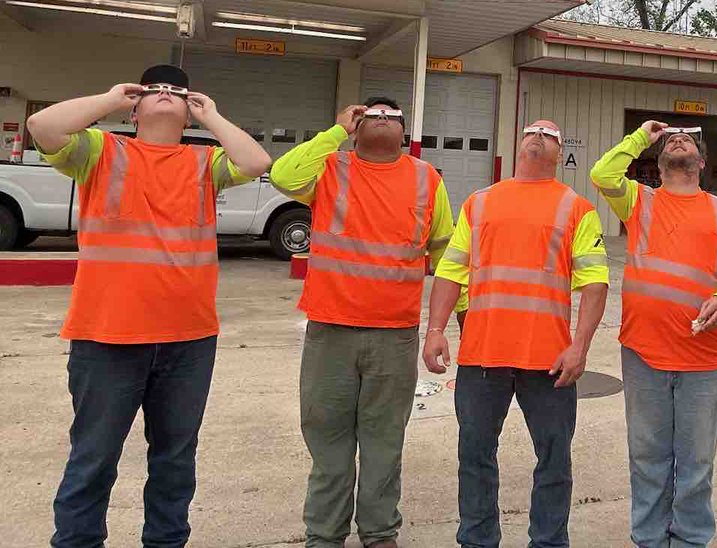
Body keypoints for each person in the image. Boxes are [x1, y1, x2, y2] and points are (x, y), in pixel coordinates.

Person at [26, 65, 271, 548]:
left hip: (188, 339)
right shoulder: (99, 152)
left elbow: (257, 161)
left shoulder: (205, 163)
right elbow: (43, 126)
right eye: (154, 90)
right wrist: (111, 98)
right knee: (93, 457)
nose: (165, 95)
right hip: (107, 337)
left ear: (190, 111)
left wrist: (213, 116)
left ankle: (165, 541)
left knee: (175, 461)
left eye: (177, 92)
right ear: (135, 107)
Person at [270, 97, 464, 548]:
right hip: (330, 330)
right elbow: (282, 175)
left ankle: (379, 532)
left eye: (390, 116)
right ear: (356, 126)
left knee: (383, 441)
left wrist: (451, 322)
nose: (380, 119)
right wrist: (336, 132)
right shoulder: (329, 169)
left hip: (393, 335)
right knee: (328, 440)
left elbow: (446, 257)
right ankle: (324, 535)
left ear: (405, 131)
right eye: (370, 114)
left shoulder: (426, 179)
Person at [423, 120, 609, 548]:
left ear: (559, 154)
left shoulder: (576, 208)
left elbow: (595, 283)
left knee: (554, 460)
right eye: (532, 129)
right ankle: (477, 539)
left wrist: (579, 347)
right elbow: (450, 271)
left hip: (548, 361)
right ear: (519, 143)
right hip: (481, 357)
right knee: (474, 456)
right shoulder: (480, 203)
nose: (540, 133)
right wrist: (435, 330)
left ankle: (548, 541)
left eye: (550, 133)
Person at [591, 120, 717, 548]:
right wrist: (640, 137)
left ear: (701, 163)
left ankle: (689, 540)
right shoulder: (639, 202)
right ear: (660, 160)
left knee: (696, 463)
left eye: (687, 140)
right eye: (670, 140)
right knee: (647, 458)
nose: (678, 141)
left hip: (705, 361)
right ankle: (649, 539)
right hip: (643, 354)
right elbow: (602, 174)